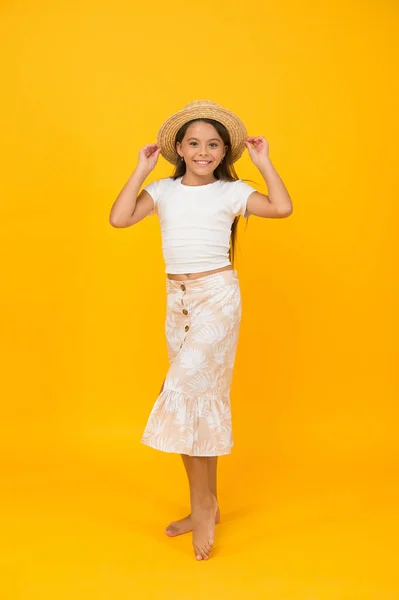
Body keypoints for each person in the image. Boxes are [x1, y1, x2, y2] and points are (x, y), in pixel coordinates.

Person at [109, 100, 293, 561]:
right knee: (197, 401)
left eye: (213, 145)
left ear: (224, 152)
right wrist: (140, 168)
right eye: (194, 143)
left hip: (217, 297)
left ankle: (202, 505)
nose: (204, 151)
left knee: (185, 393)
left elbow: (282, 208)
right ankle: (207, 501)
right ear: (179, 148)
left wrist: (263, 162)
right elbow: (119, 218)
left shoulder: (230, 193)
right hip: (179, 303)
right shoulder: (163, 190)